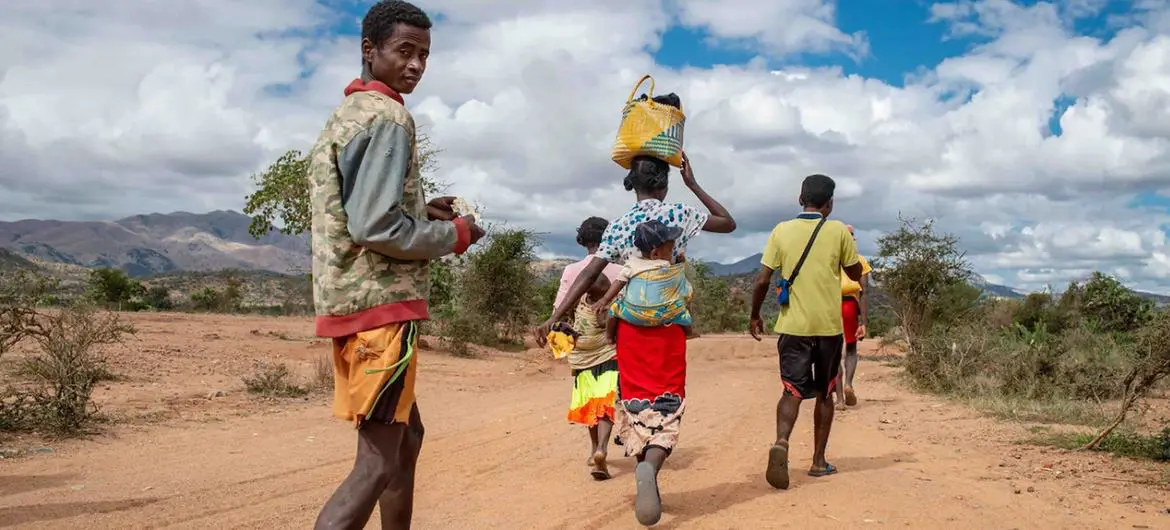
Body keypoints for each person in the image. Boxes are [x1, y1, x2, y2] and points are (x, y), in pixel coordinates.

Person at [307, 2, 485, 528]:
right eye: (405, 51)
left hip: (354, 304)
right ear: (370, 50)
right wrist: (455, 235)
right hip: (380, 311)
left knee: (407, 438)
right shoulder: (388, 118)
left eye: (424, 55)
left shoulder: (348, 115)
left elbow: (359, 211)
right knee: (378, 461)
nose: (416, 65)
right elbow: (375, 228)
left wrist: (418, 211)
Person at [535, 148, 736, 527]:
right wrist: (693, 184)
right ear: (664, 182)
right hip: (670, 330)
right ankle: (654, 463)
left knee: (634, 398)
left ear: (634, 185)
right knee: (667, 400)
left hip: (628, 330)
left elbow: (587, 275)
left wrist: (555, 316)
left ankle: (642, 459)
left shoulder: (619, 224)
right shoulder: (681, 214)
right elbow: (727, 223)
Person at [748, 174, 862, 490]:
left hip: (792, 327)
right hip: (827, 327)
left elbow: (761, 280)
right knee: (825, 392)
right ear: (830, 203)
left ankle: (782, 442)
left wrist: (755, 315)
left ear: (801, 199)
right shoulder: (839, 230)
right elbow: (855, 272)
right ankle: (818, 461)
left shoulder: (781, 231)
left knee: (792, 390)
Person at [555, 217, 622, 480]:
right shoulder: (621, 269)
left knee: (588, 397)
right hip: (611, 342)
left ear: (582, 240)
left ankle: (594, 447)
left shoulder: (572, 271)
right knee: (606, 397)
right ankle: (604, 448)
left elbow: (559, 311)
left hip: (581, 346)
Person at [592, 220, 696, 342]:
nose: (672, 253)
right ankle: (689, 332)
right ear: (655, 254)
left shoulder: (632, 264)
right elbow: (678, 276)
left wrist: (604, 300)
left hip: (633, 314)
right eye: (670, 250)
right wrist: (680, 262)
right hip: (664, 314)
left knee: (613, 309)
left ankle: (609, 337)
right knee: (681, 308)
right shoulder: (666, 265)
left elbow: (619, 282)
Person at [835, 224, 872, 409]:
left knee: (832, 352)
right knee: (850, 349)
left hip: (830, 306)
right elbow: (864, 292)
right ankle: (849, 384)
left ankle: (840, 399)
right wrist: (863, 322)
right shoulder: (860, 261)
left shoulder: (830, 259)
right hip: (850, 305)